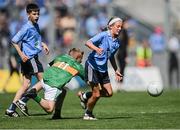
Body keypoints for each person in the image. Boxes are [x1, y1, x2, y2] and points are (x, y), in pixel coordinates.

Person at [5, 3, 49, 117]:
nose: (37, 16)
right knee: (43, 81)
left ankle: (11, 109)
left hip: (30, 58)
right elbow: (14, 41)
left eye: (38, 13)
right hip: (31, 58)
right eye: (34, 14)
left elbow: (34, 40)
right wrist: (21, 54)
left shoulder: (36, 25)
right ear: (28, 14)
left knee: (26, 84)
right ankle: (23, 100)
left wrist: (43, 44)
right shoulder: (26, 27)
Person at [17, 48, 84, 119]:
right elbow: (89, 80)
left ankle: (57, 114)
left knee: (63, 91)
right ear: (77, 57)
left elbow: (49, 65)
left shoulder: (61, 57)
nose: (81, 61)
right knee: (49, 109)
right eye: (81, 59)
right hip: (54, 85)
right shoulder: (78, 66)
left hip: (45, 78)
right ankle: (34, 95)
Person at [78, 16, 123, 120]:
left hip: (103, 69)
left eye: (121, 27)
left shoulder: (117, 42)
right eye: (118, 26)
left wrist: (116, 70)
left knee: (109, 93)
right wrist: (96, 49)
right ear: (111, 26)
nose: (120, 28)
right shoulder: (103, 35)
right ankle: (87, 114)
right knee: (97, 94)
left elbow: (111, 56)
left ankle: (85, 96)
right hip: (92, 66)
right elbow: (88, 42)